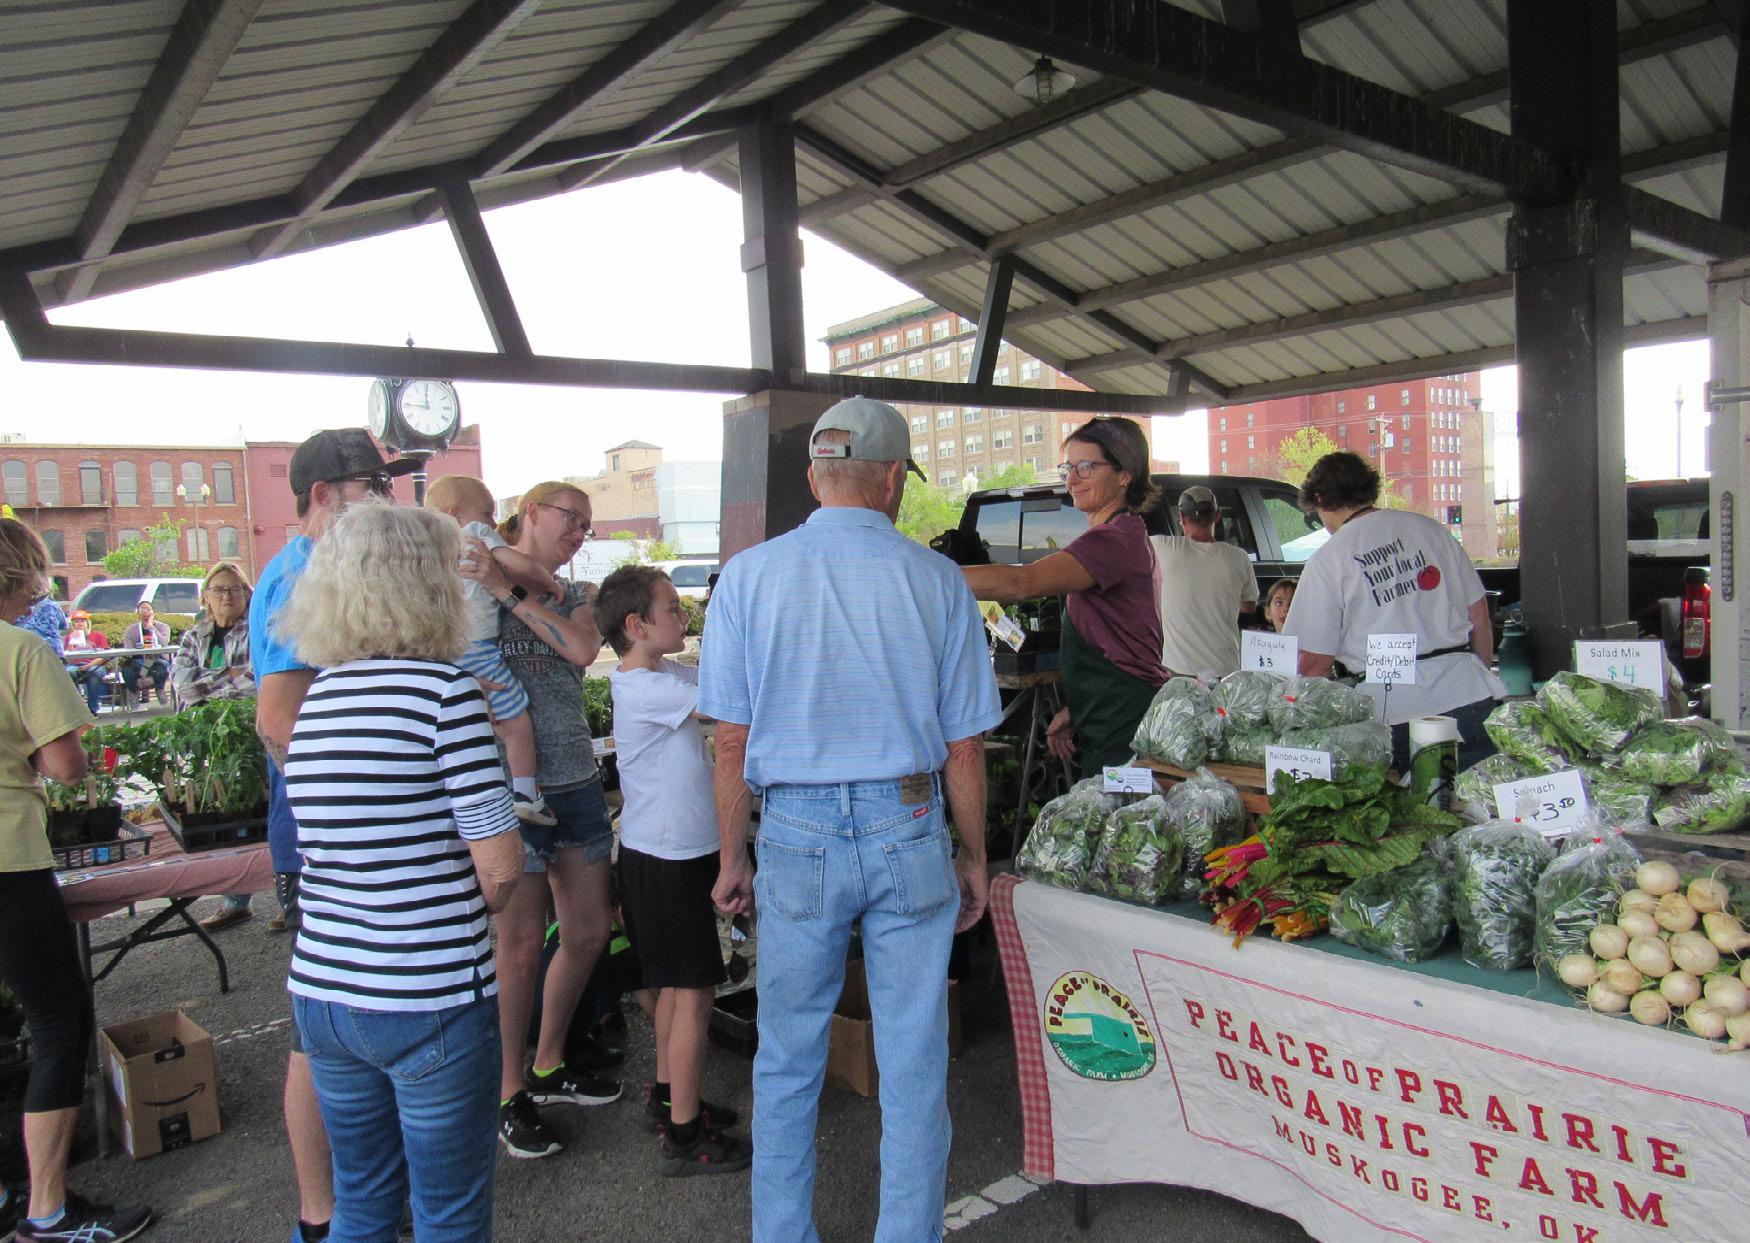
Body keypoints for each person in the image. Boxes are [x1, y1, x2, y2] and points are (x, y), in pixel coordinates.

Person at [701, 396, 1000, 1242]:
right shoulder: (937, 580)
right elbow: (964, 747)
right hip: (908, 821)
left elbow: (731, 741)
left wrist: (731, 859)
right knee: (913, 1058)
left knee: (788, 1056)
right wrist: (974, 855)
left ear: (813, 475)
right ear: (893, 477)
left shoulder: (748, 577)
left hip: (795, 830)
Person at [280, 504, 523, 1243]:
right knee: (449, 1215)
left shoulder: (319, 697)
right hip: (429, 993)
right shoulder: (446, 694)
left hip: (325, 989)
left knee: (362, 1201)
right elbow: (500, 868)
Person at [251, 428, 420, 1243]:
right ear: (323, 494)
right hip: (327, 839)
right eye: (371, 486)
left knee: (347, 1021)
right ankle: (322, 1216)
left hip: (339, 833)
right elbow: (277, 719)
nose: (386, 499)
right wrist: (354, 815)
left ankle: (360, 1206)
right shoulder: (302, 574)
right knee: (319, 1037)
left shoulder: (331, 567)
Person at [0, 518, 153, 1243]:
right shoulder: (22, 649)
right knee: (60, 1024)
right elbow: (66, 766)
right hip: (9, 859)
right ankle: (47, 1213)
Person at [458, 482, 617, 1160]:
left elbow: (581, 649)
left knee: (589, 930)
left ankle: (549, 1060)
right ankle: (508, 1089)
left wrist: (509, 591)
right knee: (519, 945)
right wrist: (493, 585)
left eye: (587, 525)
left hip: (575, 781)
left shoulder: (576, 594)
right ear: (528, 513)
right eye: (569, 518)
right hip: (507, 790)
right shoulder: (469, 578)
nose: (579, 532)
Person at [596, 565, 749, 1177]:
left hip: (664, 854)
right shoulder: (644, 689)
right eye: (671, 609)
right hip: (666, 860)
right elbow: (727, 704)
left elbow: (719, 675)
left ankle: (668, 1098)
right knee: (693, 994)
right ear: (637, 625)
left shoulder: (661, 673)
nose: (682, 616)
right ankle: (684, 1137)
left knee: (673, 988)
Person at [963, 416, 1167, 776]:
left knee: (1119, 810)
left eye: (1086, 467)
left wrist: (927, 574)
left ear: (1125, 473)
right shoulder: (1118, 534)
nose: (1072, 479)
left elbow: (1021, 583)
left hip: (1125, 720)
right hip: (1107, 711)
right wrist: (1076, 709)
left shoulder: (1113, 540)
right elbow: (1116, 639)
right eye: (1067, 468)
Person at [1284, 451, 1505, 771]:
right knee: (1480, 796)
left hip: (1393, 714)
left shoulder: (1329, 558)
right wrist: (1474, 675)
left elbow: (1313, 662)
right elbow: (1479, 617)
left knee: (1416, 802)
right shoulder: (1431, 530)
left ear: (1320, 499)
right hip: (1469, 696)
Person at [424, 474, 558, 826]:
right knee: (515, 722)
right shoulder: (474, 534)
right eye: (487, 512)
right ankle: (526, 793)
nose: (492, 521)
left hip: (441, 649)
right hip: (477, 648)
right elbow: (521, 564)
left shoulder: (426, 549)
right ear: (455, 514)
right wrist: (550, 583)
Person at [171, 562, 258, 933]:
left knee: (257, 812)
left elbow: (254, 681)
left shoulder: (257, 630)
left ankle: (285, 899)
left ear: (247, 594)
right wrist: (227, 678)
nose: (227, 595)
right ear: (205, 597)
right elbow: (181, 682)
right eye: (219, 589)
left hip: (247, 734)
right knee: (224, 813)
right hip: (207, 737)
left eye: (235, 588)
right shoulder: (195, 635)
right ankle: (236, 902)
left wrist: (206, 685)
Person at [1151, 485, 1259, 676]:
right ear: (1217, 516)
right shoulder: (1239, 557)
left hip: (1177, 672)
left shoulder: (1162, 548)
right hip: (1225, 671)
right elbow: (1249, 605)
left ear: (1181, 517)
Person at [120, 600, 170, 706]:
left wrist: (151, 627)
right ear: (138, 613)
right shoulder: (131, 630)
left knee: (164, 666)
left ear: (153, 612)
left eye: (148, 609)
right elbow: (128, 651)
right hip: (138, 661)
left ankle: (159, 689)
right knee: (127, 671)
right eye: (142, 609)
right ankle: (134, 691)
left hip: (158, 659)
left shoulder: (163, 627)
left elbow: (164, 643)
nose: (146, 612)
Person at [61, 611, 110, 715]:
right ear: (73, 624)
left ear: (87, 622)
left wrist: (88, 666)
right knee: (68, 672)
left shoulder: (97, 635)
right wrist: (70, 647)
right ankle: (78, 706)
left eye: (82, 621)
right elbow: (67, 659)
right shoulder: (69, 638)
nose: (80, 623)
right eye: (77, 621)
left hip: (95, 665)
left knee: (94, 672)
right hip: (75, 665)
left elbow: (104, 656)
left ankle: (93, 708)